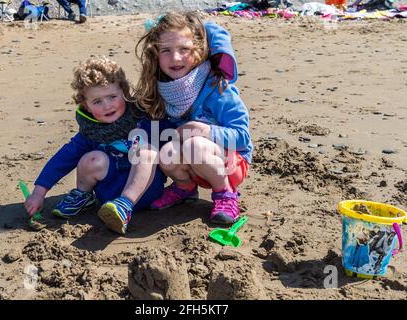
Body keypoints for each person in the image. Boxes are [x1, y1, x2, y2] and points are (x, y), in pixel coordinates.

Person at [23, 57, 167, 235]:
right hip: (107, 196)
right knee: (91, 158)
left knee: (147, 151)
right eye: (97, 101)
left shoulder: (142, 117)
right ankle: (83, 195)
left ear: (124, 92)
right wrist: (39, 192)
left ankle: (125, 205)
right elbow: (63, 159)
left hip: (147, 190)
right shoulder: (90, 131)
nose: (107, 105)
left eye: (112, 97)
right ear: (86, 106)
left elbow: (172, 137)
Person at [134, 12, 253, 225]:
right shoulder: (165, 90)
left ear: (198, 50)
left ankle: (225, 195)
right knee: (167, 152)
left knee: (195, 144)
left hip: (231, 164)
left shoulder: (218, 87)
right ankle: (185, 188)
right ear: (156, 55)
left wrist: (206, 131)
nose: (175, 58)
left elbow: (243, 137)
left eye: (184, 49)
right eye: (166, 51)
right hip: (194, 164)